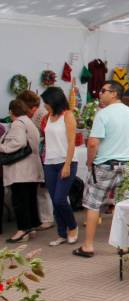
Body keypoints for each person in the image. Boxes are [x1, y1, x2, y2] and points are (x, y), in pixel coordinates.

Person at [73, 81, 129, 258]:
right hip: (126, 166)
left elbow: (93, 142)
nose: (100, 93)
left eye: (103, 90)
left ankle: (88, 245)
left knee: (93, 204)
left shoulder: (103, 115)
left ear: (114, 93)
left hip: (105, 164)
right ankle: (124, 245)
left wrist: (90, 162)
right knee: (123, 205)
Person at [40, 87, 80, 246]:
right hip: (49, 162)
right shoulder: (48, 117)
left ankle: (73, 226)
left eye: (47, 102)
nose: (45, 105)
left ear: (55, 101)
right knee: (54, 200)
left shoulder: (68, 116)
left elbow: (72, 142)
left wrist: (67, 165)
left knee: (60, 199)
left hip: (66, 161)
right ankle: (61, 233)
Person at [1, 100, 44, 243]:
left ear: (12, 111)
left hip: (20, 169)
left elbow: (19, 142)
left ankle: (22, 230)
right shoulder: (28, 122)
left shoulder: (18, 123)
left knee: (19, 201)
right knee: (29, 199)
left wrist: (3, 148)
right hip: (31, 168)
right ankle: (31, 228)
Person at [15, 90, 55, 231]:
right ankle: (44, 217)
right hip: (40, 153)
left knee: (43, 189)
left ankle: (47, 218)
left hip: (43, 153)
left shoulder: (40, 114)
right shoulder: (36, 114)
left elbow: (43, 134)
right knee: (41, 188)